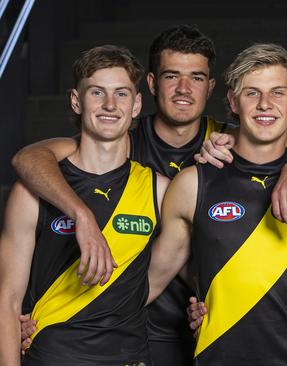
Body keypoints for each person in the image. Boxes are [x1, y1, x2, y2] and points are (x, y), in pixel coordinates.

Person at [11, 25, 287, 365]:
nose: (184, 89)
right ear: (152, 86)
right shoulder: (119, 135)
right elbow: (29, 158)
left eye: (197, 78)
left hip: (205, 326)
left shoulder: (234, 138)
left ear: (212, 88)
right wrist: (52, 318)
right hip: (140, 328)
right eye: (172, 76)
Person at [147, 43, 287, 365]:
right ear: (233, 101)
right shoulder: (193, 183)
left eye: (278, 92)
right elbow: (152, 278)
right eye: (251, 93)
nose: (265, 105)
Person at [0, 45, 167, 365]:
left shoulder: (160, 190)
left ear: (136, 105)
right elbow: (7, 301)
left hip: (128, 358)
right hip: (51, 357)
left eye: (121, 94)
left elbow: (191, 269)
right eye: (96, 93)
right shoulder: (32, 192)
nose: (109, 105)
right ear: (76, 101)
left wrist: (199, 307)